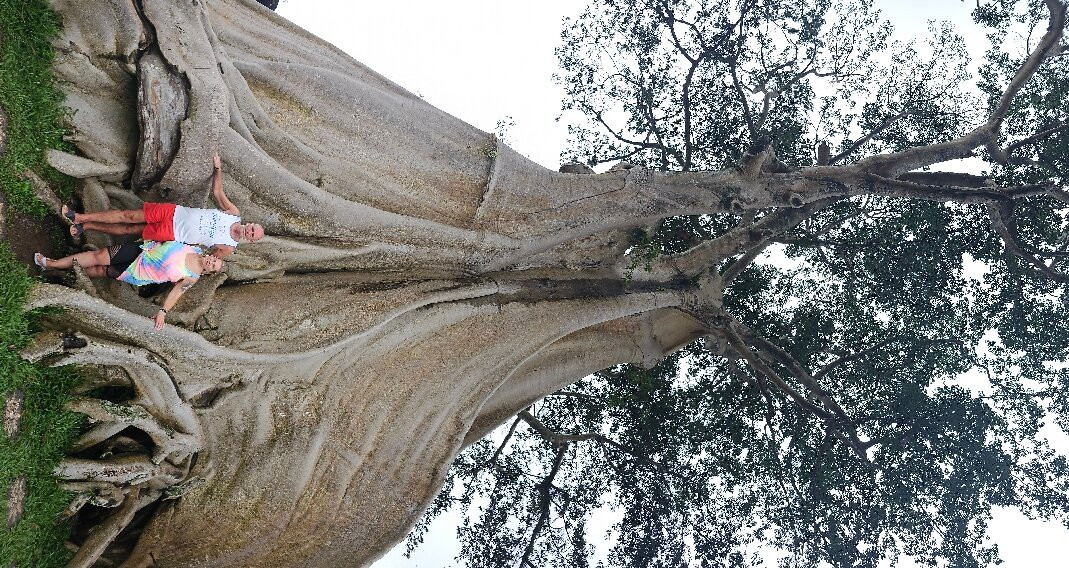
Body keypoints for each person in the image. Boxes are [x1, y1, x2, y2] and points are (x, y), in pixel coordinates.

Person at [62, 153, 264, 258]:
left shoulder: (228, 247)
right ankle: (79, 217)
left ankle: (86, 226)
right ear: (251, 224)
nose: (249, 232)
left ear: (251, 241)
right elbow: (218, 193)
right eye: (252, 228)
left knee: (128, 231)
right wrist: (218, 170)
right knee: (129, 216)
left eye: (252, 235)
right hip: (174, 213)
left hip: (174, 234)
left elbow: (205, 257)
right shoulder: (234, 213)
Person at [34, 241, 223, 330]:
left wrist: (163, 312)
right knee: (99, 255)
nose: (211, 263)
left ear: (210, 272)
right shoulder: (195, 247)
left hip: (138, 273)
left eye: (214, 267)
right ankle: (52, 263)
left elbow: (176, 293)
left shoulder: (192, 277)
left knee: (100, 271)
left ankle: (61, 271)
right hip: (140, 251)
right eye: (214, 261)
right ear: (213, 256)